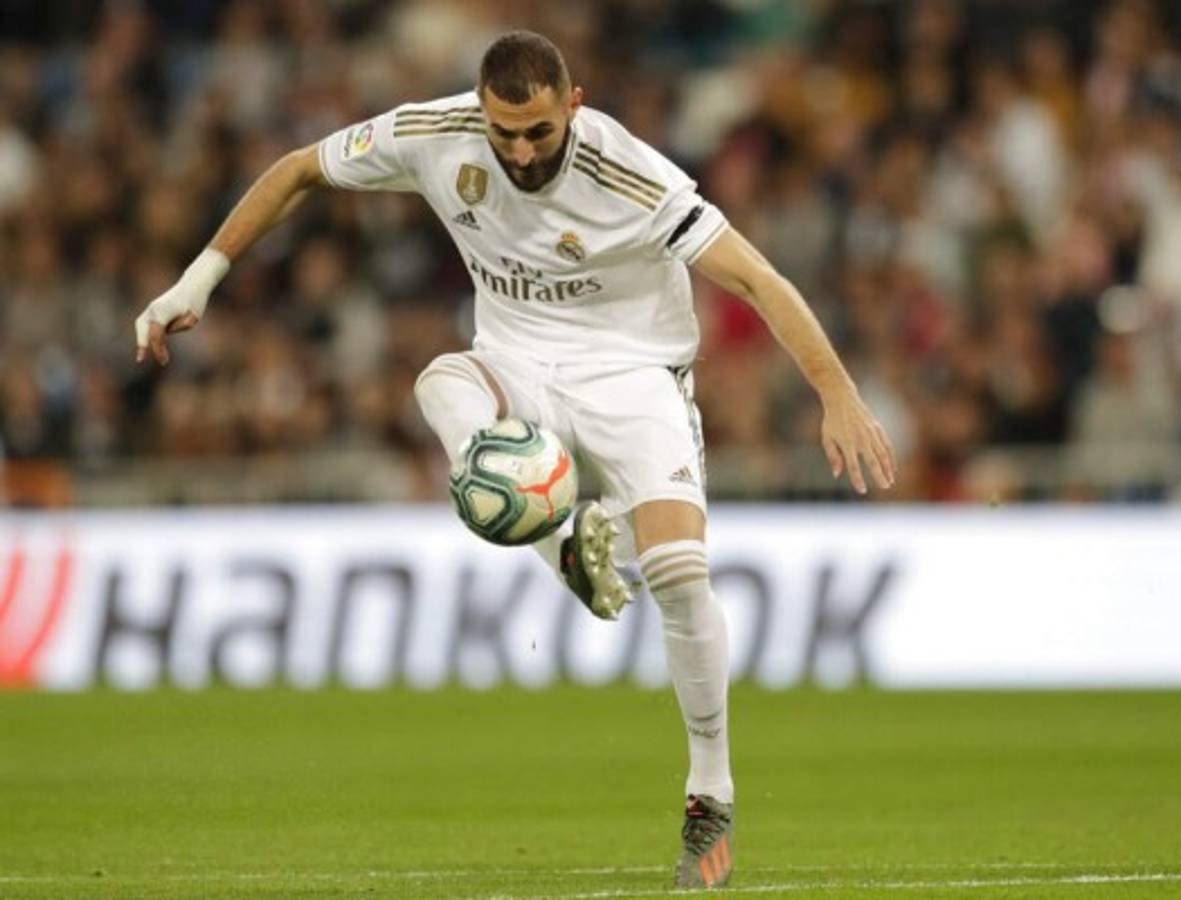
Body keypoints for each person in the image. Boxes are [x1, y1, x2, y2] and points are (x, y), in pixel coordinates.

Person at [135, 30, 896, 890]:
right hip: (519, 368)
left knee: (680, 575)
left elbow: (758, 278)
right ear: (481, 110)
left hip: (634, 377)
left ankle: (709, 791)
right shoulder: (434, 134)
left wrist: (836, 392)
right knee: (438, 382)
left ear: (572, 106)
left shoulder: (630, 173)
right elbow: (298, 168)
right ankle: (557, 543)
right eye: (506, 134)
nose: (522, 152)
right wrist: (195, 280)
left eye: (539, 132)